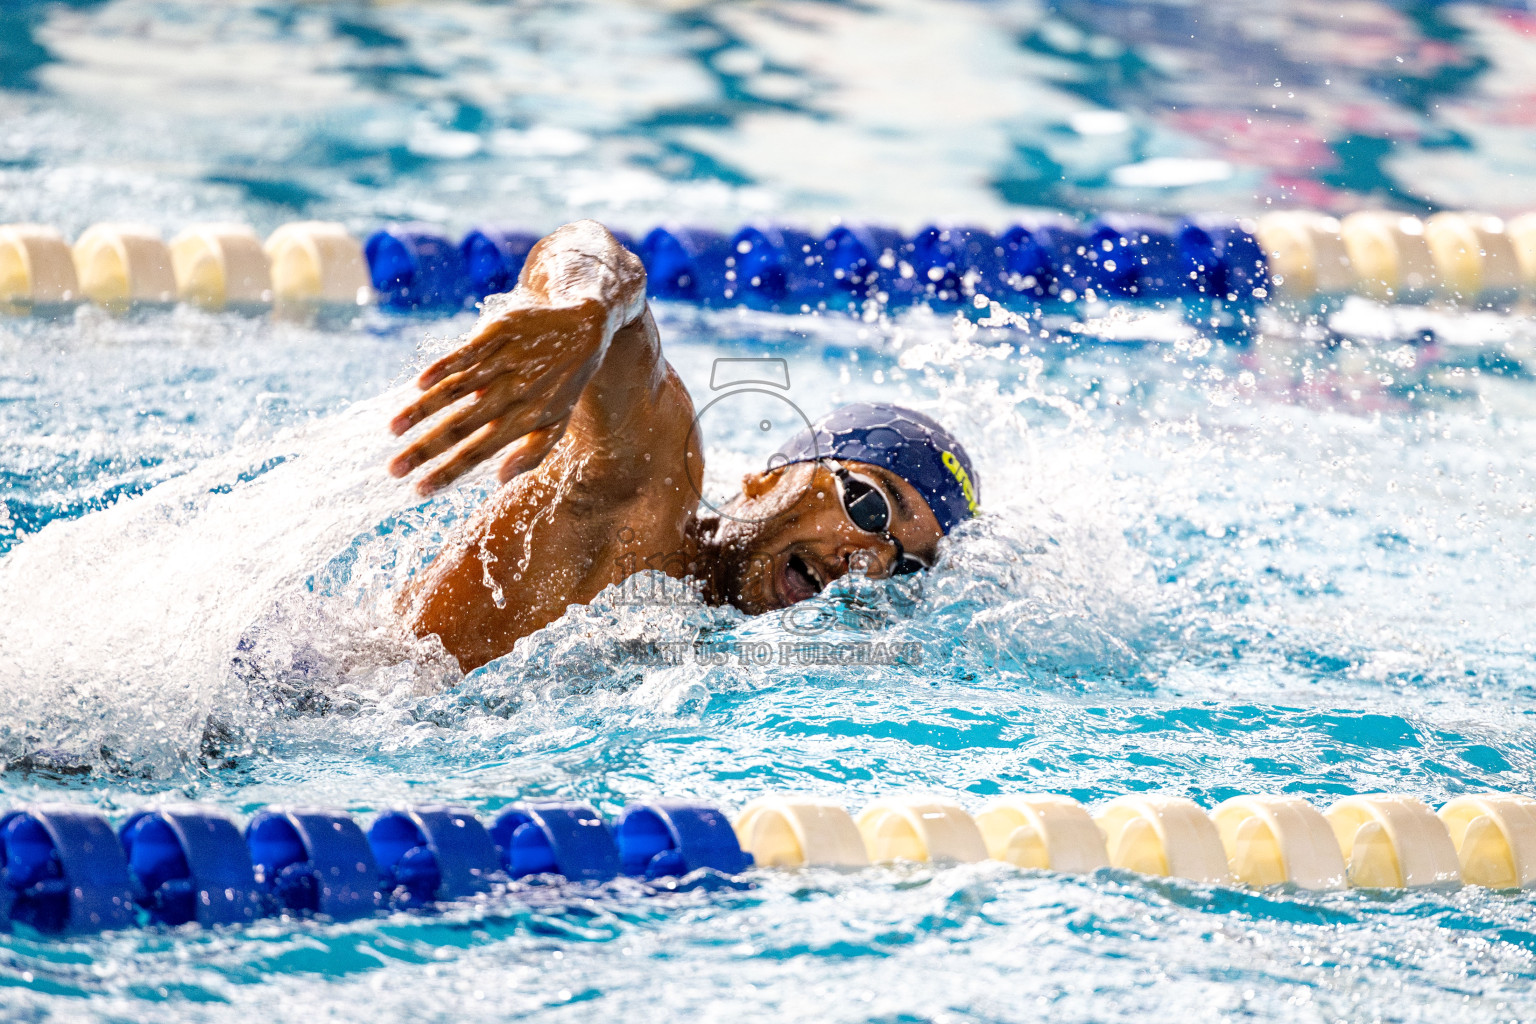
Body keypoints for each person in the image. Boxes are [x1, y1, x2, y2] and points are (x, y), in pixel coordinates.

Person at [387, 220, 980, 671]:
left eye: (904, 566)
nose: (867, 562)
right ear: (772, 477)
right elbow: (599, 260)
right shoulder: (647, 498)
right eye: (871, 507)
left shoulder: (742, 660)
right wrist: (587, 309)